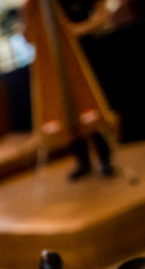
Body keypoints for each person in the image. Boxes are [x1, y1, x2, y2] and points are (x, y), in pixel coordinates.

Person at [24, 0, 118, 179]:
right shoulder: (35, 5)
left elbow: (103, 14)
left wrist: (78, 29)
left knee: (91, 105)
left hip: (87, 52)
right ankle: (82, 159)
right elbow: (29, 37)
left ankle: (105, 157)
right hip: (59, 60)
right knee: (67, 107)